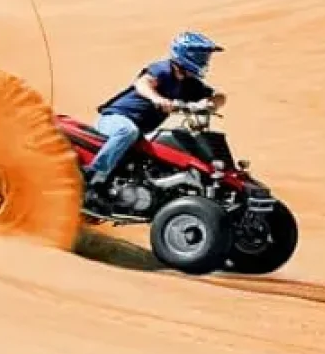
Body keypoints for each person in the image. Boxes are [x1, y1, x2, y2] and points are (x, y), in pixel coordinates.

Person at [82, 31, 227, 216]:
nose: (205, 60)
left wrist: (209, 105)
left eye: (206, 56)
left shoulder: (190, 84)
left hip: (141, 132)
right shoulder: (163, 69)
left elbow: (220, 96)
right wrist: (157, 99)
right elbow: (142, 84)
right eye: (201, 55)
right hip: (115, 119)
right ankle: (93, 178)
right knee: (127, 131)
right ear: (186, 54)